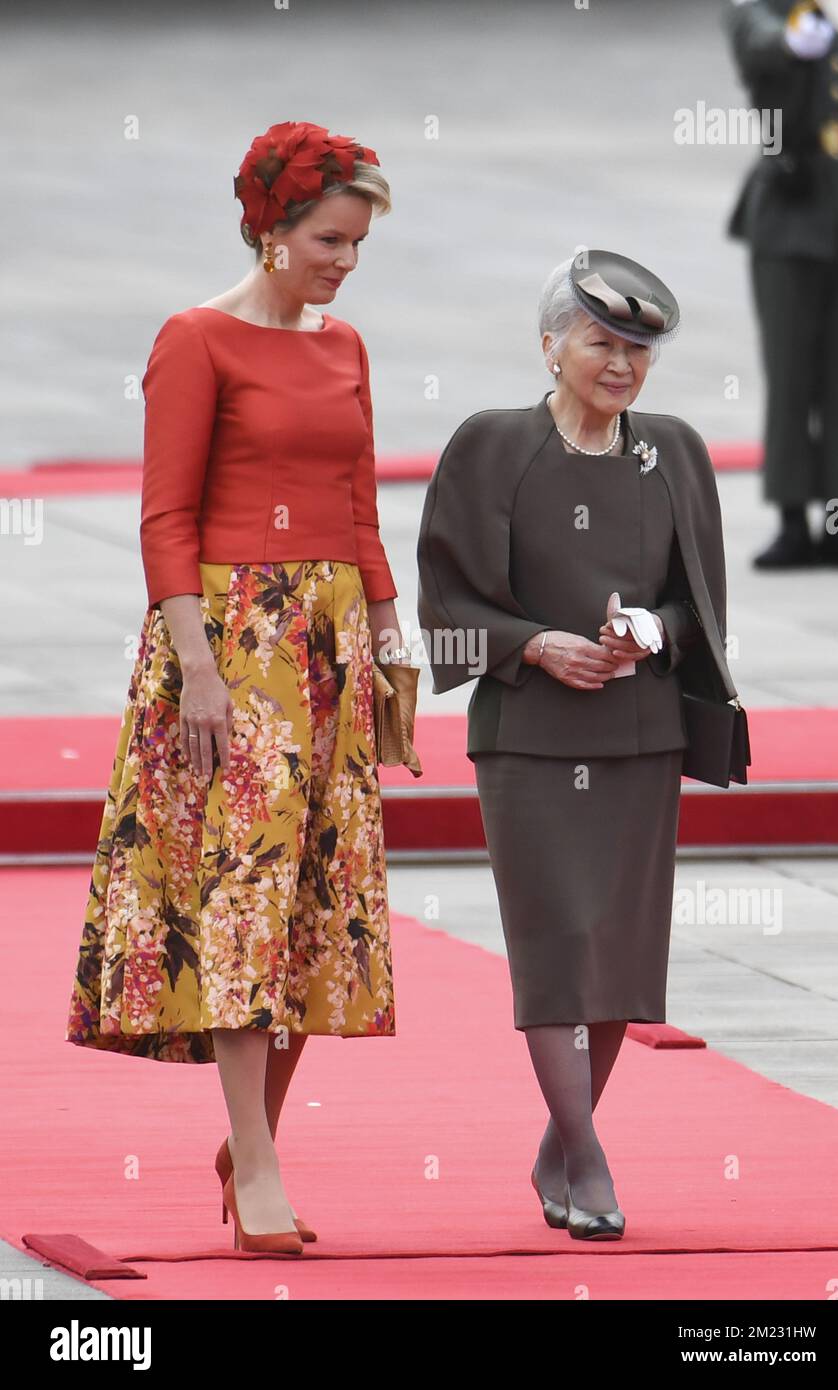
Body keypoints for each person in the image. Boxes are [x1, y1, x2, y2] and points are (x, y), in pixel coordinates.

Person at [65, 121, 410, 1255]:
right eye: (327, 239)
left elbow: (358, 503)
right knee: (244, 895)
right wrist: (199, 668)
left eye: (355, 245)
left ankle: (247, 1136)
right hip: (231, 645)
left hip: (330, 648)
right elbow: (163, 515)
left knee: (317, 901)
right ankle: (257, 1163)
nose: (343, 263)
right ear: (269, 229)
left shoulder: (346, 347)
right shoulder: (194, 339)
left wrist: (387, 623)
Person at [416, 249, 740, 1240]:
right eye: (601, 341)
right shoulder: (491, 445)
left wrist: (652, 634)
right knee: (557, 953)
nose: (620, 363)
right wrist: (533, 647)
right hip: (529, 743)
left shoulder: (672, 452)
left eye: (637, 349)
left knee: (618, 963)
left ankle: (560, 1144)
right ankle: (587, 1153)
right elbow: (444, 614)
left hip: (638, 739)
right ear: (550, 343)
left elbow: (702, 611)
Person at [725, 0, 838, 566]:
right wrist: (792, 38)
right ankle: (791, 520)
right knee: (790, 378)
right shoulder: (767, 10)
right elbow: (753, 43)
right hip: (790, 217)